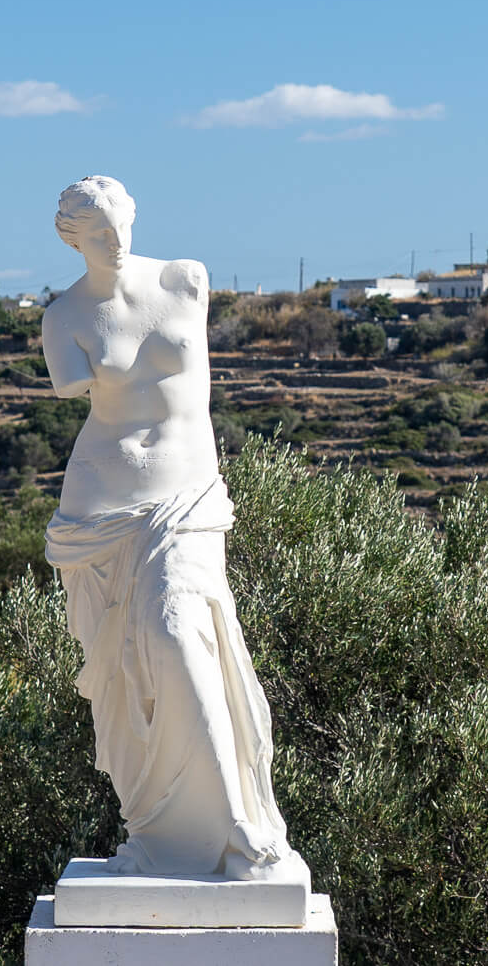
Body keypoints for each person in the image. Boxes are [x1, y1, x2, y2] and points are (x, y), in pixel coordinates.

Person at [41, 175, 301, 881]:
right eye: (98, 234)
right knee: (133, 677)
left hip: (186, 500)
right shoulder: (64, 317)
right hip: (103, 511)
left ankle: (240, 825)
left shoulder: (186, 280)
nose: (117, 241)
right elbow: (82, 396)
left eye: (123, 224)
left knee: (179, 631)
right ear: (73, 238)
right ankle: (165, 830)